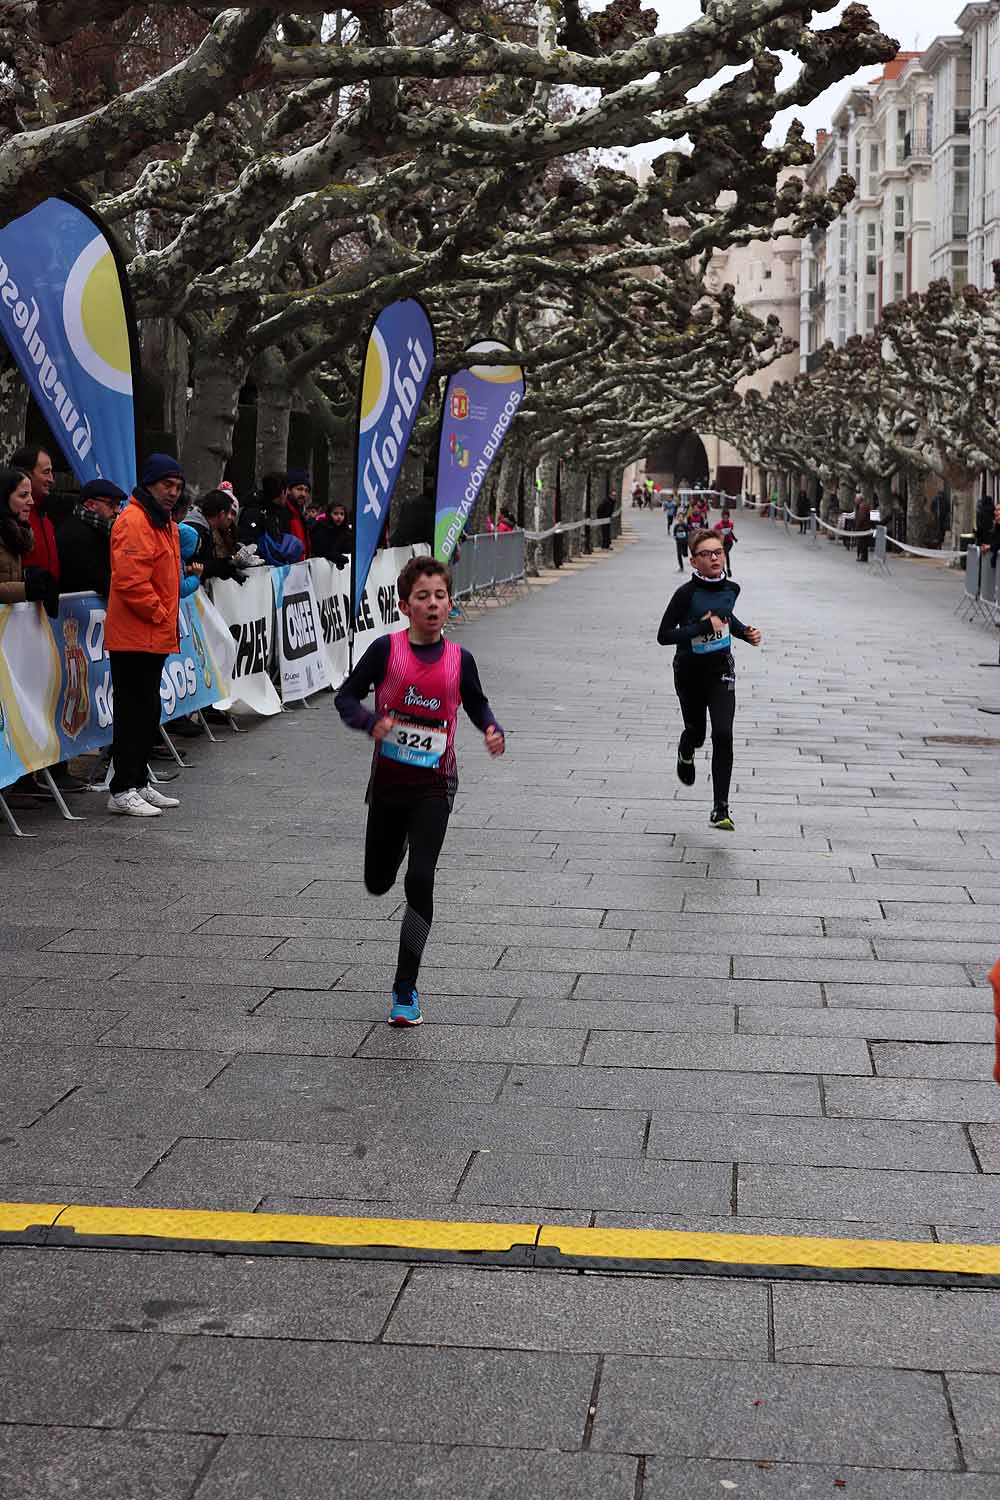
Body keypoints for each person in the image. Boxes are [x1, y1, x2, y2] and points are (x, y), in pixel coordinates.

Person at [334, 557, 505, 1026]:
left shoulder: (459, 660)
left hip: (435, 784)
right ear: (405, 604)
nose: (433, 605)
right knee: (379, 881)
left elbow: (476, 701)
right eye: (423, 597)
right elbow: (345, 697)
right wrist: (371, 723)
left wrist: (491, 727)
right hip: (389, 786)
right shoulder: (384, 651)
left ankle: (405, 987)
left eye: (440, 596)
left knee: (420, 880)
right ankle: (395, 848)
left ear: (450, 602)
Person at [657, 527, 762, 831]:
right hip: (689, 673)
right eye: (707, 554)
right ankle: (686, 749)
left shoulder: (732, 588)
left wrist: (745, 633)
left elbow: (725, 617)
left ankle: (721, 808)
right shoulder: (685, 595)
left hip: (720, 671)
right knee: (697, 733)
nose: (715, 557)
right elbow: (664, 636)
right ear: (693, 561)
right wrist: (698, 629)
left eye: (719, 552)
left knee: (723, 734)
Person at [104, 453, 184, 818]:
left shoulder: (161, 521)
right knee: (133, 712)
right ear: (151, 483)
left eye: (178, 487)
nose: (173, 492)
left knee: (147, 711)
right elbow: (131, 581)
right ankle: (122, 787)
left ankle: (136, 780)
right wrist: (161, 614)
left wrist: (164, 618)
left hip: (152, 633)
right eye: (168, 485)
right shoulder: (135, 521)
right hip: (136, 634)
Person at [55, 479, 126, 597]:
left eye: (118, 504)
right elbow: (96, 580)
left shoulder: (104, 530)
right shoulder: (75, 534)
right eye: (111, 504)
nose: (117, 511)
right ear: (90, 505)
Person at [0, 467, 58, 610]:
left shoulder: (17, 536)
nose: (31, 502)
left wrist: (29, 576)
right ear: (4, 497)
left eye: (30, 495)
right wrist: (26, 589)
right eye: (23, 495)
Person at [238, 471, 310, 562]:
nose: (287, 493)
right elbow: (247, 544)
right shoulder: (256, 512)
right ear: (281, 492)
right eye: (299, 489)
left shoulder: (277, 512)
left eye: (306, 490)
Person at [184, 489, 247, 584]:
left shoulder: (205, 529)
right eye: (228, 513)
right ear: (221, 515)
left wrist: (228, 566)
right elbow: (189, 566)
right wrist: (225, 565)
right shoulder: (194, 532)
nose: (230, 518)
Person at [310, 501, 352, 565]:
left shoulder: (345, 530)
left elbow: (346, 547)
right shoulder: (321, 528)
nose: (339, 517)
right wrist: (336, 557)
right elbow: (321, 550)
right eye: (335, 513)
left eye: (342, 514)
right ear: (329, 514)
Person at [713, 508, 737, 576]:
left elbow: (730, 532)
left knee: (725, 553)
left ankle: (728, 568)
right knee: (723, 555)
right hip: (721, 542)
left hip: (729, 542)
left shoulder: (731, 524)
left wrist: (734, 538)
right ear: (722, 517)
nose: (725, 519)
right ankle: (723, 569)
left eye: (727, 517)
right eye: (724, 517)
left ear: (728, 517)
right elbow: (715, 533)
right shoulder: (718, 525)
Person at [854, 493, 872, 563]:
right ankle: (863, 556)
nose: (855, 500)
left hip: (863, 527)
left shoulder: (862, 507)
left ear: (859, 499)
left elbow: (861, 518)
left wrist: (857, 526)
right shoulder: (861, 506)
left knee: (862, 543)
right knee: (863, 543)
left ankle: (862, 556)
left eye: (856, 499)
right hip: (864, 527)